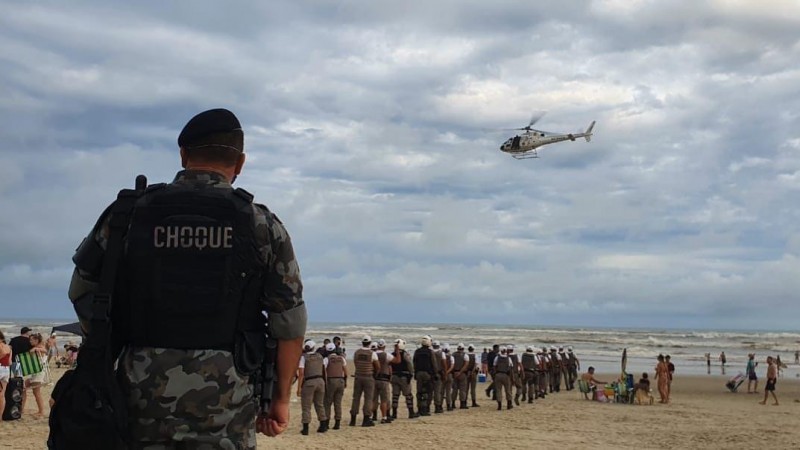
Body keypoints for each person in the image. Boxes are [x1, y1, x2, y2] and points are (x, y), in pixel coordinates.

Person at [67, 108, 307, 448]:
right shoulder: (262, 225)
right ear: (240, 163)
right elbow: (290, 322)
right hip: (227, 400)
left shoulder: (128, 214)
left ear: (183, 155)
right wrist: (279, 399)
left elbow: (82, 289)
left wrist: (111, 349)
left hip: (136, 394)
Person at [296, 339, 328, 435]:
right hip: (320, 381)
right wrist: (325, 383)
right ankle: (323, 425)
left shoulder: (303, 358)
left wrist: (299, 388)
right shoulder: (320, 356)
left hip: (309, 382)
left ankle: (305, 428)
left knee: (306, 406)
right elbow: (324, 371)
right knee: (319, 404)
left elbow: (301, 373)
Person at [349, 335, 379, 427]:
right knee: (368, 399)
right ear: (369, 343)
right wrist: (374, 374)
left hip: (358, 376)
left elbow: (355, 362)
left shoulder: (357, 352)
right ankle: (366, 419)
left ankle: (353, 420)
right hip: (368, 377)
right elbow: (377, 367)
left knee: (356, 398)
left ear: (362, 342)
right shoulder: (372, 353)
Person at [389, 338, 417, 419]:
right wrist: (411, 374)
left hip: (394, 376)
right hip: (404, 377)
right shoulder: (405, 354)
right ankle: (411, 413)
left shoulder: (392, 354)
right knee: (408, 395)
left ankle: (394, 414)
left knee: (395, 396)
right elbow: (410, 364)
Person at [323, 343, 347, 430]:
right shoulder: (342, 359)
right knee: (338, 403)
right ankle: (337, 423)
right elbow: (345, 371)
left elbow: (324, 371)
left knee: (327, 403)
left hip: (331, 380)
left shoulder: (326, 359)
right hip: (340, 380)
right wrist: (345, 381)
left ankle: (326, 423)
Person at [413, 335, 437, 416]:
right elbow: (434, 364)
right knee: (428, 391)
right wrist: (435, 374)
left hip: (419, 373)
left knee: (419, 391)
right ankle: (426, 409)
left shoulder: (417, 351)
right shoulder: (430, 352)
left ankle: (419, 408)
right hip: (427, 374)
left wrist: (415, 373)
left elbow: (414, 363)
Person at [26, 333, 48, 419]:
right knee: (32, 390)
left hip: (39, 372)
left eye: (31, 340)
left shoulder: (40, 348)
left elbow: (45, 351)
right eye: (30, 340)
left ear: (36, 340)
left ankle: (41, 411)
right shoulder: (37, 348)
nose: (30, 341)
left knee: (37, 392)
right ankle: (40, 410)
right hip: (35, 372)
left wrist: (35, 348)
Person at [371, 339, 393, 423]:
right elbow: (391, 367)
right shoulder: (386, 355)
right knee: (385, 400)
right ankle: (385, 416)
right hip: (384, 380)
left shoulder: (373, 355)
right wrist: (390, 377)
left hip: (374, 379)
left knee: (374, 399)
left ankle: (373, 416)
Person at [0, 331, 12, 422]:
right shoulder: (8, 347)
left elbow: (3, 353)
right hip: (6, 369)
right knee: (2, 394)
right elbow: (10, 362)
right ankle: (0, 416)